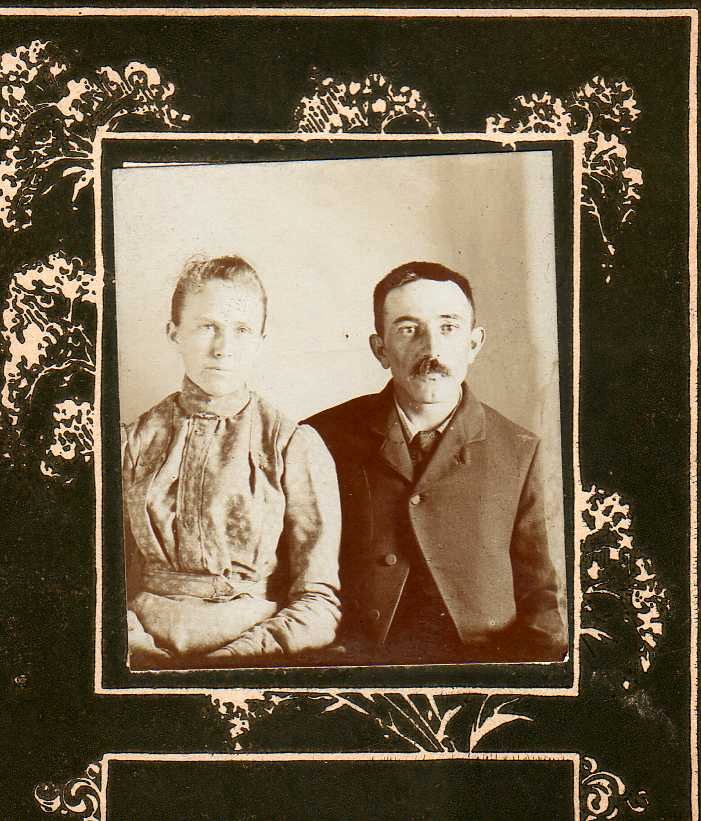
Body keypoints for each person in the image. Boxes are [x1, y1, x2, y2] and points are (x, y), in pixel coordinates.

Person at [307, 261, 567, 664]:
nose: (431, 350)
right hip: (359, 663)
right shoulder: (323, 437)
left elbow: (540, 598)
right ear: (380, 350)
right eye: (408, 329)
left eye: (448, 327)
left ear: (474, 344)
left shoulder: (519, 450)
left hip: (481, 663)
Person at [122, 255, 341, 669]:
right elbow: (99, 587)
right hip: (140, 654)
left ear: (260, 339)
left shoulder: (291, 445)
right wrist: (142, 655)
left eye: (241, 330)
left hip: (253, 654)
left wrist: (233, 660)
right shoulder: (131, 443)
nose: (223, 349)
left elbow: (318, 601)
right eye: (207, 327)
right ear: (174, 332)